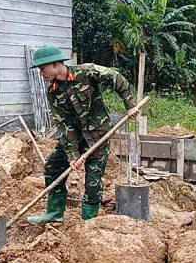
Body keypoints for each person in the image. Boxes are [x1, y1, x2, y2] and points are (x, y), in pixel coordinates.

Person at [26, 45, 136, 225]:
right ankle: (55, 213)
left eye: (42, 68)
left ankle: (89, 222)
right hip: (75, 137)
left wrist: (130, 106)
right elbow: (63, 124)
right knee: (53, 167)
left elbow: (117, 78)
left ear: (55, 64)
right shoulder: (53, 92)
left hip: (97, 134)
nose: (41, 73)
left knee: (93, 180)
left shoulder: (86, 72)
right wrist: (72, 155)